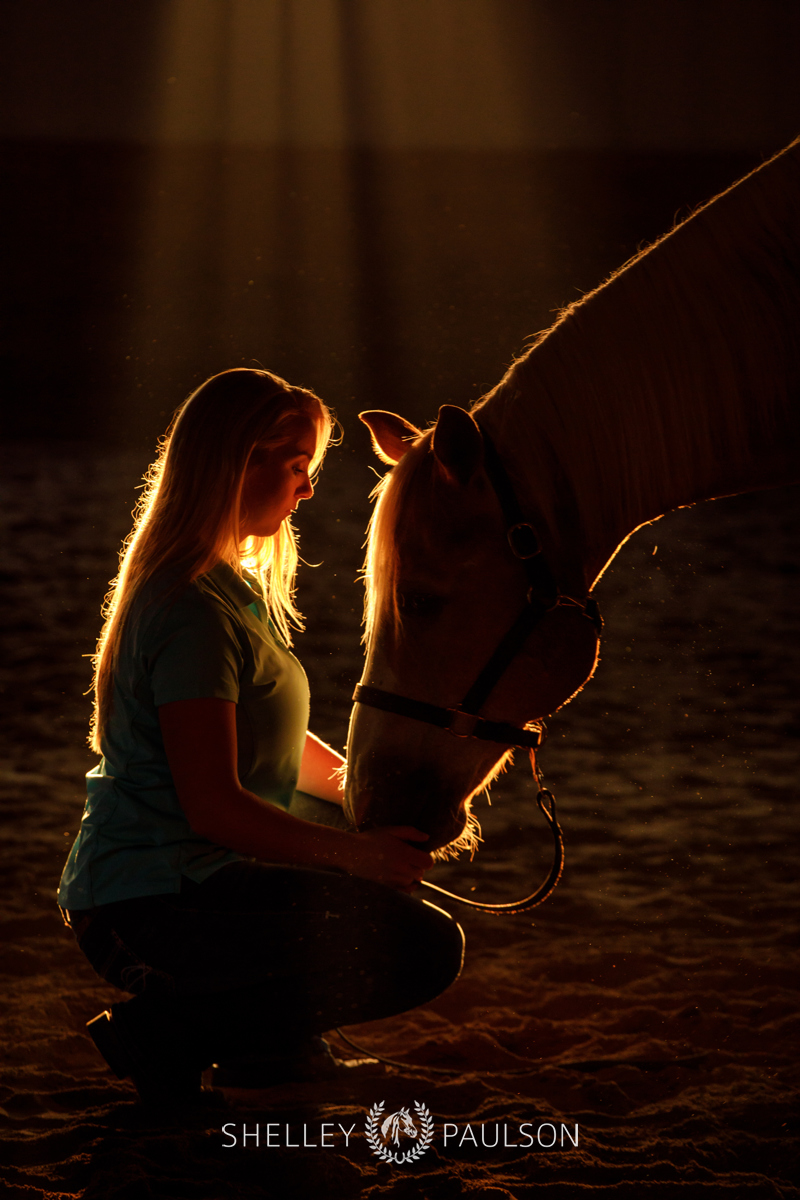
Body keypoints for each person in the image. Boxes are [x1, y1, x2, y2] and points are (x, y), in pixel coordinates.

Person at [57, 368, 464, 1105]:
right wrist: (360, 855)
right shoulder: (191, 610)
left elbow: (277, 746)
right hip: (151, 901)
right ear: (243, 459)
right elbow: (214, 806)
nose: (307, 488)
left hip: (190, 881)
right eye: (298, 466)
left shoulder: (225, 588)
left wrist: (366, 802)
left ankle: (269, 1056)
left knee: (345, 880)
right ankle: (167, 1034)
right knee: (419, 947)